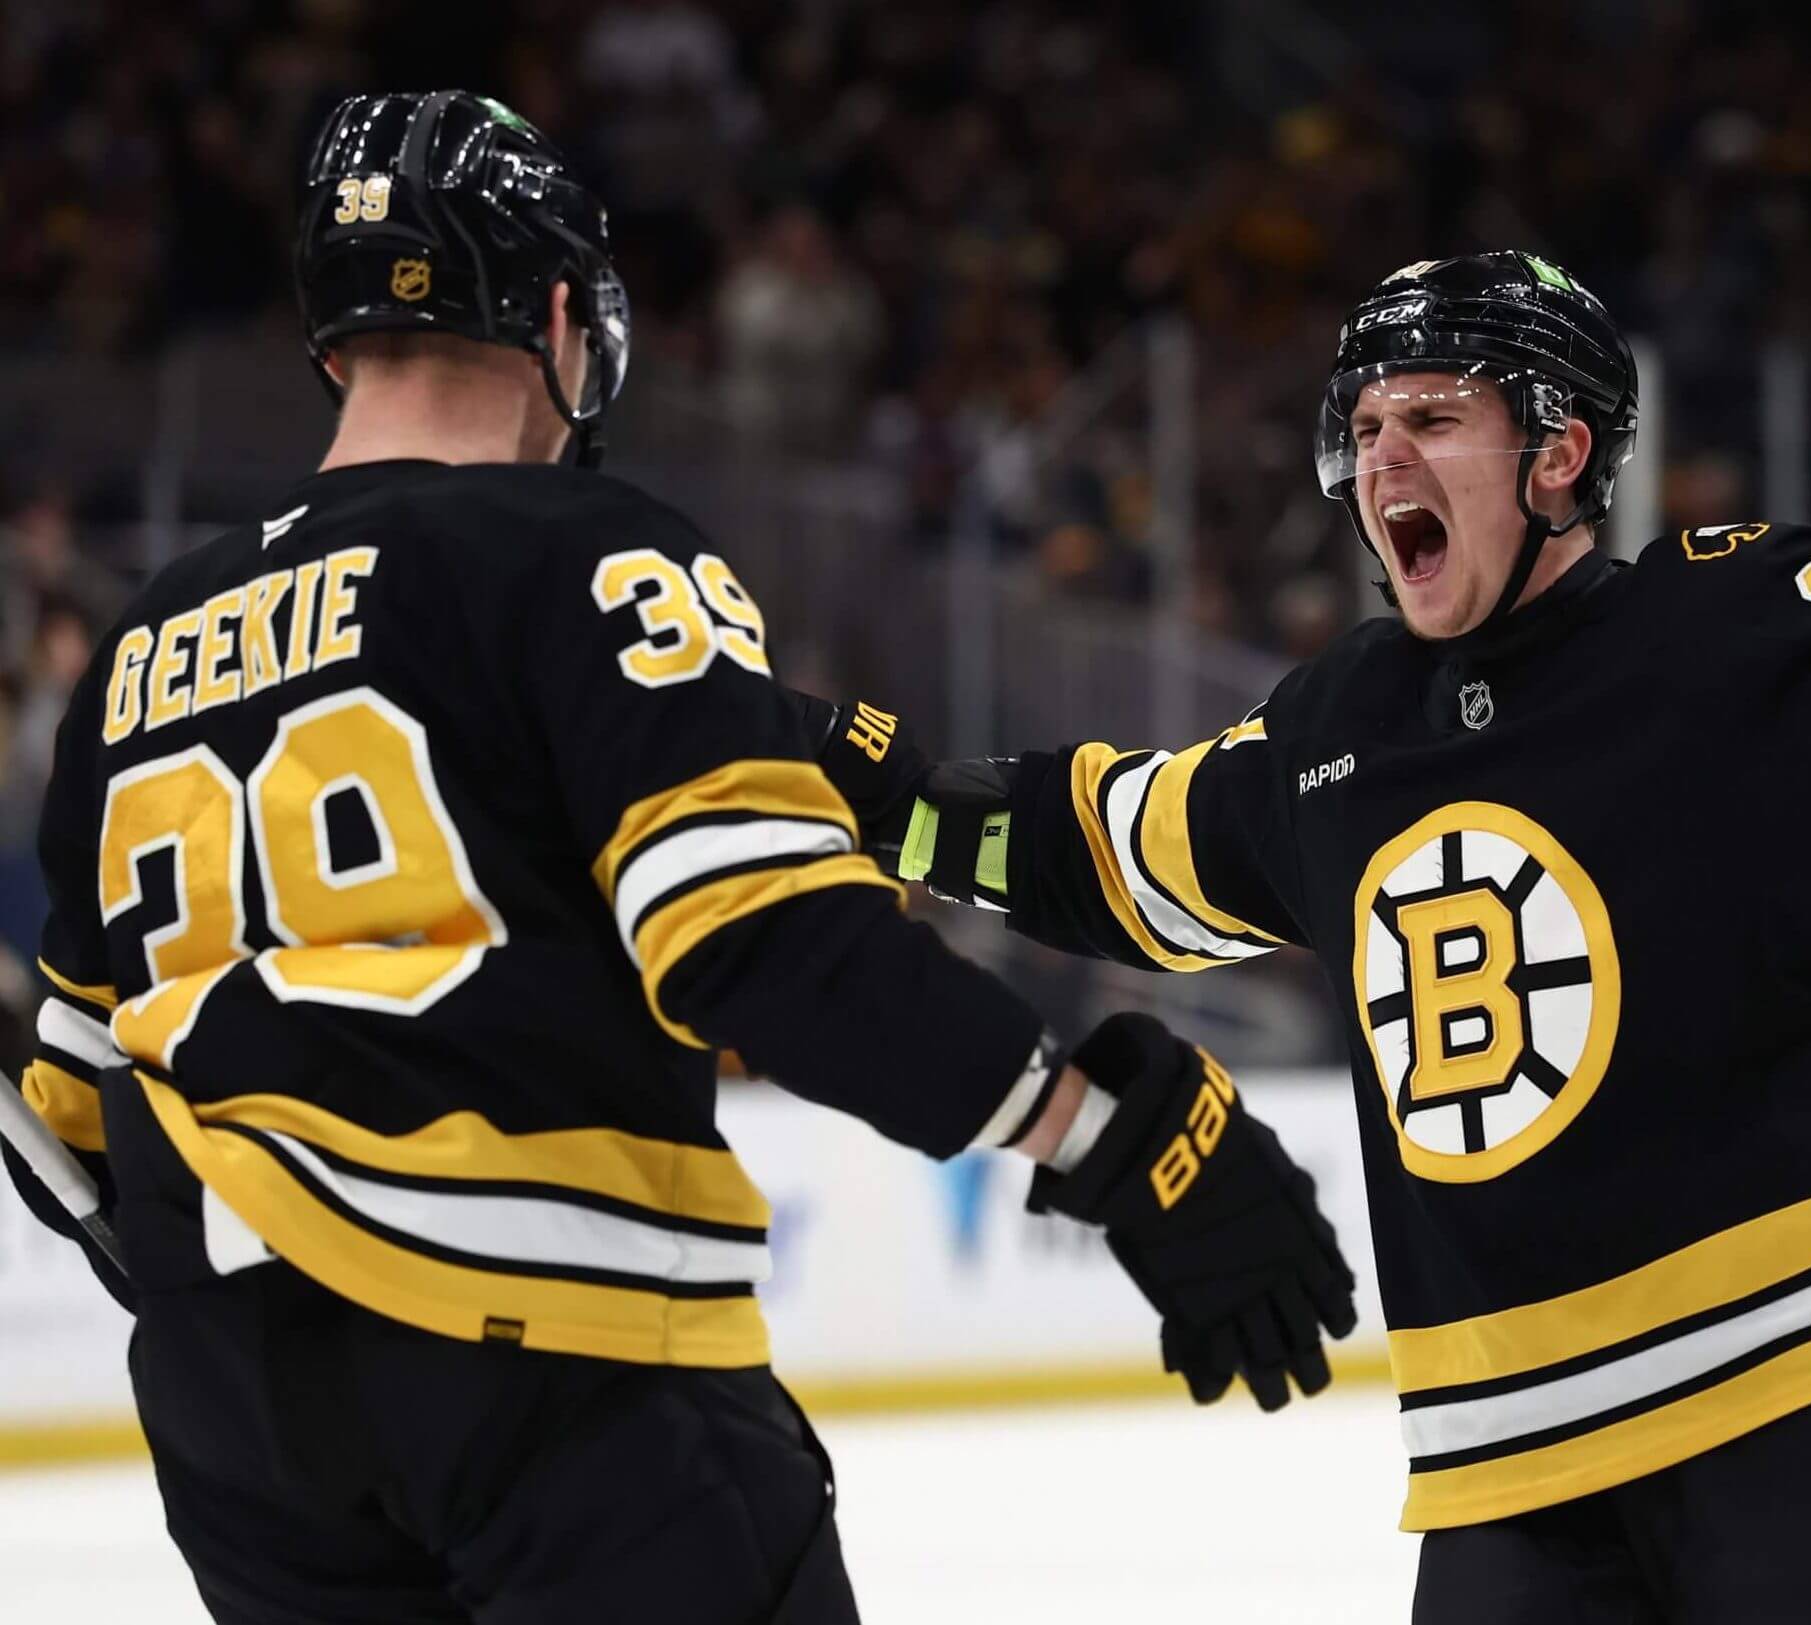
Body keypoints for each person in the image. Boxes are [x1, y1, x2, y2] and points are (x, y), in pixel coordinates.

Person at [834, 250, 1811, 1623]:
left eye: (1434, 418)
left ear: (1558, 452)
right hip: (1507, 1487)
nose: (1383, 458)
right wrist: (824, 770)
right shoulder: (1330, 738)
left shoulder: (1741, 628)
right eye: (1367, 426)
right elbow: (1083, 843)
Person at [0, 91, 1354, 1625]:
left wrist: (271, 1285)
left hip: (237, 1445)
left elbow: (62, 1110)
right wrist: (1102, 1134)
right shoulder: (587, 552)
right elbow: (765, 948)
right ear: (562, 316)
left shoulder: (138, 649)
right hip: (554, 1385)